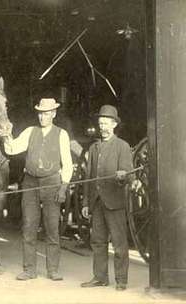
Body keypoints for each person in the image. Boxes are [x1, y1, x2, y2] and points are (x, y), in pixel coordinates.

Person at [2, 98, 73, 281]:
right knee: (29, 226)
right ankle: (29, 269)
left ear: (54, 114)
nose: (43, 117)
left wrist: (63, 188)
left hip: (52, 183)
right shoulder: (30, 131)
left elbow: (68, 164)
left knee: (52, 228)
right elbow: (12, 149)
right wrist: (6, 135)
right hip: (30, 183)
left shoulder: (61, 134)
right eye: (40, 113)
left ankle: (53, 270)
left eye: (47, 113)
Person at [80, 105, 140, 291]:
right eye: (100, 124)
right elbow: (89, 178)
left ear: (114, 125)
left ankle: (121, 280)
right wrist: (86, 203)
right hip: (97, 202)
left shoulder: (122, 146)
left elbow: (129, 175)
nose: (103, 127)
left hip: (114, 202)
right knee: (97, 241)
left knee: (119, 242)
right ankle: (100, 277)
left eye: (106, 124)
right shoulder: (94, 147)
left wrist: (124, 176)